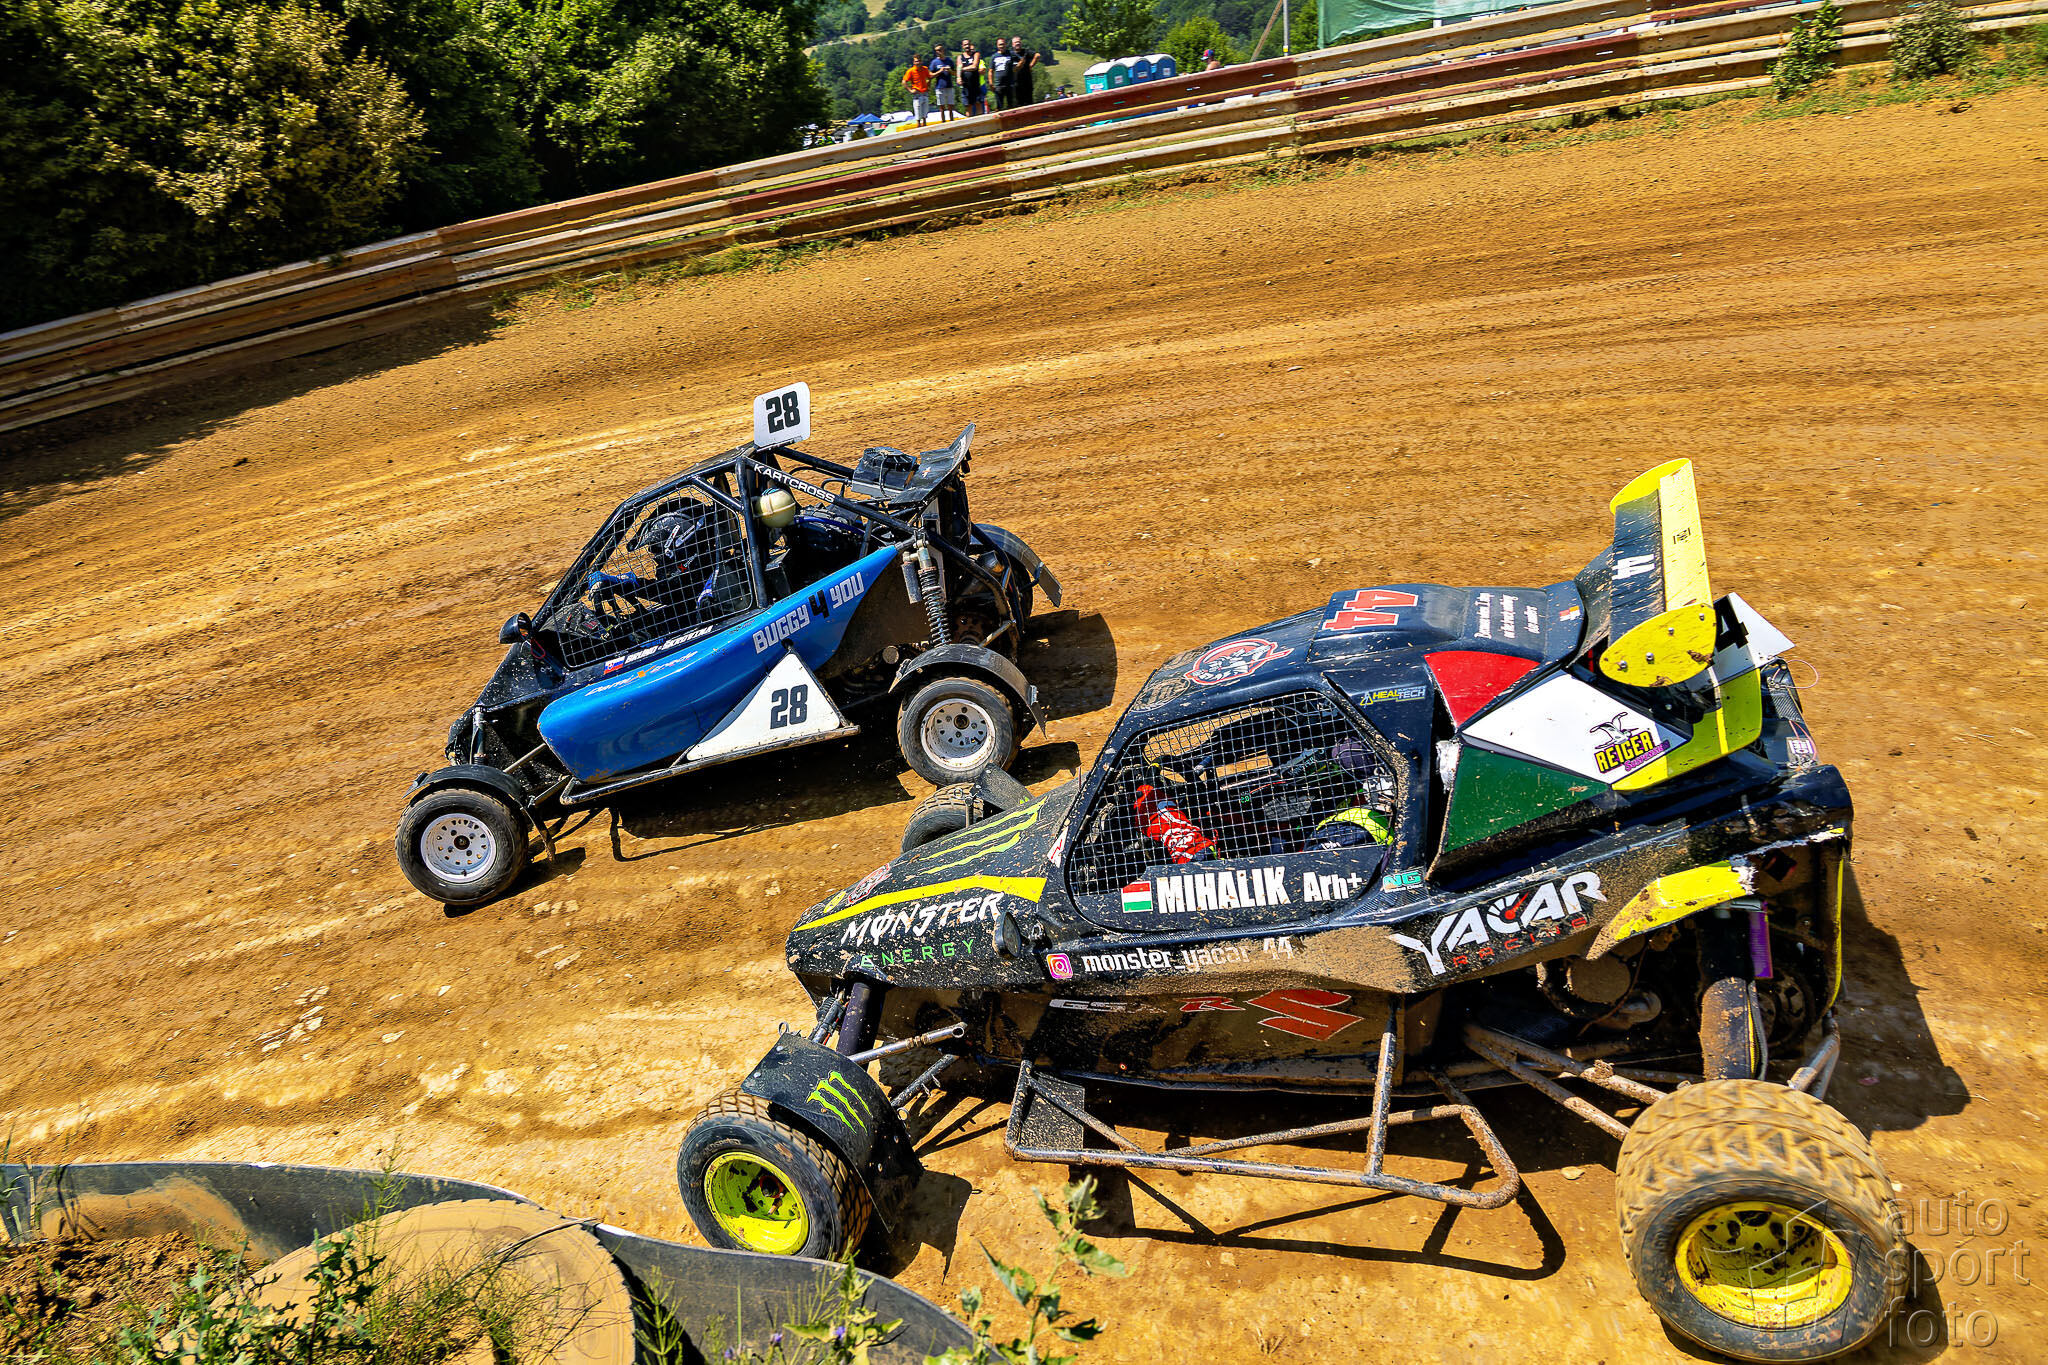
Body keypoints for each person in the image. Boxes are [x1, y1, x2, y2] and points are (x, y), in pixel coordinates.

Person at [929, 44, 958, 123]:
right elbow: (930, 75)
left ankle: (952, 122)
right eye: (936, 51)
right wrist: (940, 71)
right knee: (942, 107)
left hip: (949, 86)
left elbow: (955, 73)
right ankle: (943, 122)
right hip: (939, 87)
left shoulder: (949, 60)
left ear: (943, 50)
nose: (937, 52)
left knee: (951, 106)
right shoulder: (934, 62)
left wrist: (950, 71)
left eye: (939, 50)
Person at [901, 56, 932, 126]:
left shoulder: (925, 69)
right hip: (917, 94)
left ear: (921, 61)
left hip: (925, 93)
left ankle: (924, 125)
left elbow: (929, 77)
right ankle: (918, 125)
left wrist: (928, 86)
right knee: (918, 112)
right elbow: (904, 81)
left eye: (919, 61)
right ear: (914, 62)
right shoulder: (911, 71)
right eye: (916, 61)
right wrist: (910, 90)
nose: (918, 63)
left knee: (925, 112)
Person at [960, 41, 988, 116]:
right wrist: (959, 77)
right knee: (968, 106)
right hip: (966, 86)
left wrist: (963, 69)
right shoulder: (960, 57)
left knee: (979, 104)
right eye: (965, 45)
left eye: (968, 45)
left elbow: (979, 69)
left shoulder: (978, 57)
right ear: (962, 46)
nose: (967, 47)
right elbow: (958, 68)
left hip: (978, 85)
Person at [989, 38, 1016, 111]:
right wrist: (991, 83)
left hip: (1009, 84)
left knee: (1011, 106)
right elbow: (991, 71)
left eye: (1003, 44)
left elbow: (1020, 60)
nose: (1002, 46)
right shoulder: (994, 57)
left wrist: (1016, 68)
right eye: (1000, 44)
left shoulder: (1011, 54)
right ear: (997, 46)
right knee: (999, 107)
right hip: (999, 85)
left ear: (1005, 45)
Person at [1011, 37, 1038, 107]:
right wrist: (1019, 65)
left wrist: (1031, 65)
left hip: (1027, 82)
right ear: (1012, 44)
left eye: (1019, 42)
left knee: (1029, 103)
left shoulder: (1026, 52)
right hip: (1016, 83)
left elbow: (1037, 55)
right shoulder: (1010, 55)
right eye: (1015, 42)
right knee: (1019, 104)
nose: (1017, 43)